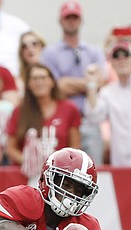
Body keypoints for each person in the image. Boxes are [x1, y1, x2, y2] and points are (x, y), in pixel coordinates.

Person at [40, 1, 106, 165]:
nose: (71, 21)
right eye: (67, 17)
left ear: (80, 20)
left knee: (93, 168)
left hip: (89, 120)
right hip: (63, 122)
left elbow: (100, 82)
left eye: (74, 17)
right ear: (61, 20)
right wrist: (88, 84)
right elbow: (57, 87)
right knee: (63, 171)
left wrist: (69, 83)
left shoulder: (93, 51)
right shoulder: (50, 52)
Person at [5, 63, 81, 180]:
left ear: (52, 82)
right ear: (28, 84)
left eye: (43, 78)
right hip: (26, 177)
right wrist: (30, 162)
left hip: (60, 177)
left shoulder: (69, 109)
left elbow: (75, 147)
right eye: (34, 79)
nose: (39, 82)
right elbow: (10, 148)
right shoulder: (19, 111)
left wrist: (59, 167)